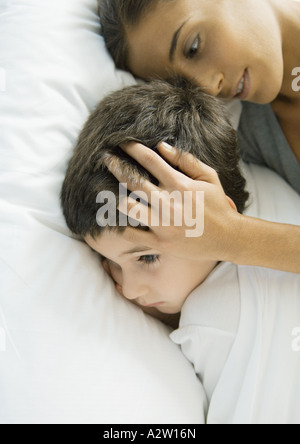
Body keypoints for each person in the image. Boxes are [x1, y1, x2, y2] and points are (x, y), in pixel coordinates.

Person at [60, 80, 300, 422]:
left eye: (146, 257)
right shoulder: (267, 180)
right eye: (110, 263)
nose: (128, 289)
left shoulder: (210, 321)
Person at [98, 0, 300, 274]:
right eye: (184, 84)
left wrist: (232, 237)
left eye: (193, 48)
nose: (207, 86)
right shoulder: (249, 133)